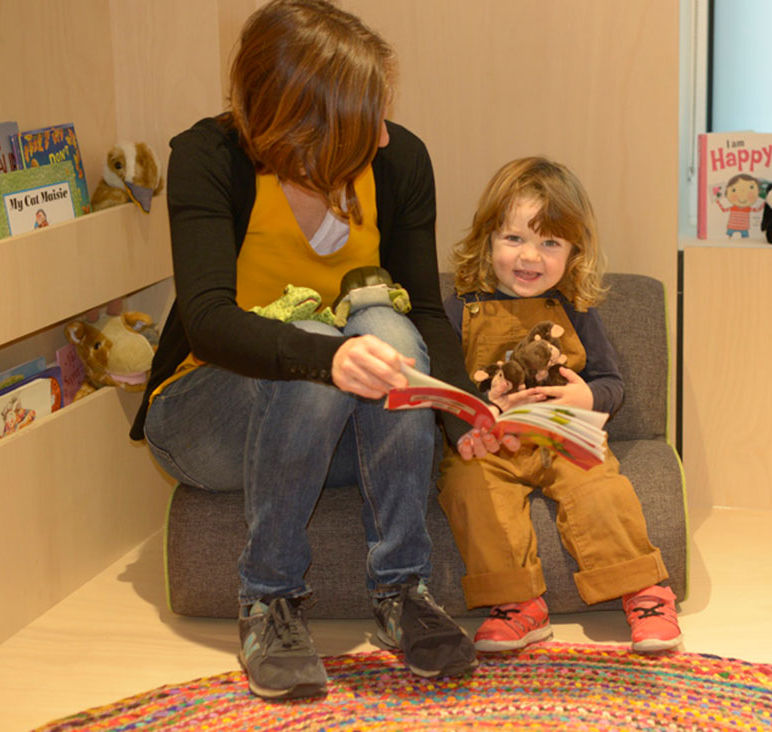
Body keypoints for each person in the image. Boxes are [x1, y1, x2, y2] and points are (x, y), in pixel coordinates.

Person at [129, 0, 488, 700]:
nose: (383, 135)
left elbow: (428, 312)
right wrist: (325, 360)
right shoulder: (207, 158)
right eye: (365, 118)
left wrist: (462, 411)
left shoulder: (401, 160)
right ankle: (268, 597)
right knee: (320, 347)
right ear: (305, 119)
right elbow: (206, 320)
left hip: (343, 431)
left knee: (387, 326)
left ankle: (402, 591)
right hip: (208, 416)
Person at [437, 157, 683, 654]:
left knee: (599, 488)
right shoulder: (458, 308)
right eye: (514, 239)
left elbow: (612, 383)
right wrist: (480, 414)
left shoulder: (575, 308)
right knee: (466, 484)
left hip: (565, 438)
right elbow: (451, 391)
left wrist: (585, 396)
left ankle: (645, 592)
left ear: (574, 252)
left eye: (549, 242)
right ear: (488, 239)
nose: (530, 256)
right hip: (496, 446)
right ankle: (517, 604)